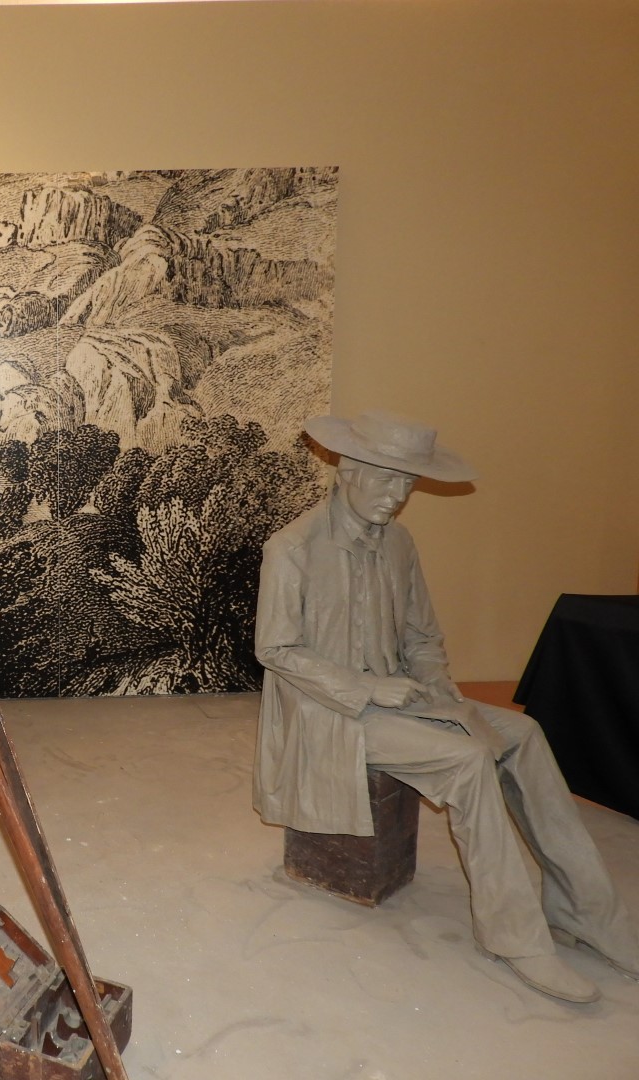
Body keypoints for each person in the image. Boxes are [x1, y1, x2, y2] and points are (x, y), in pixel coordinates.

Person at [254, 410, 639, 1004]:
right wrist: (365, 688)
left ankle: (586, 911)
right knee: (466, 762)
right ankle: (513, 935)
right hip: (331, 716)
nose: (396, 497)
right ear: (348, 471)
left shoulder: (401, 545)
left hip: (404, 700)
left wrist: (442, 694)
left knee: (524, 733)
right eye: (385, 481)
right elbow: (275, 649)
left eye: (407, 485)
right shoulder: (294, 548)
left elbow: (422, 637)